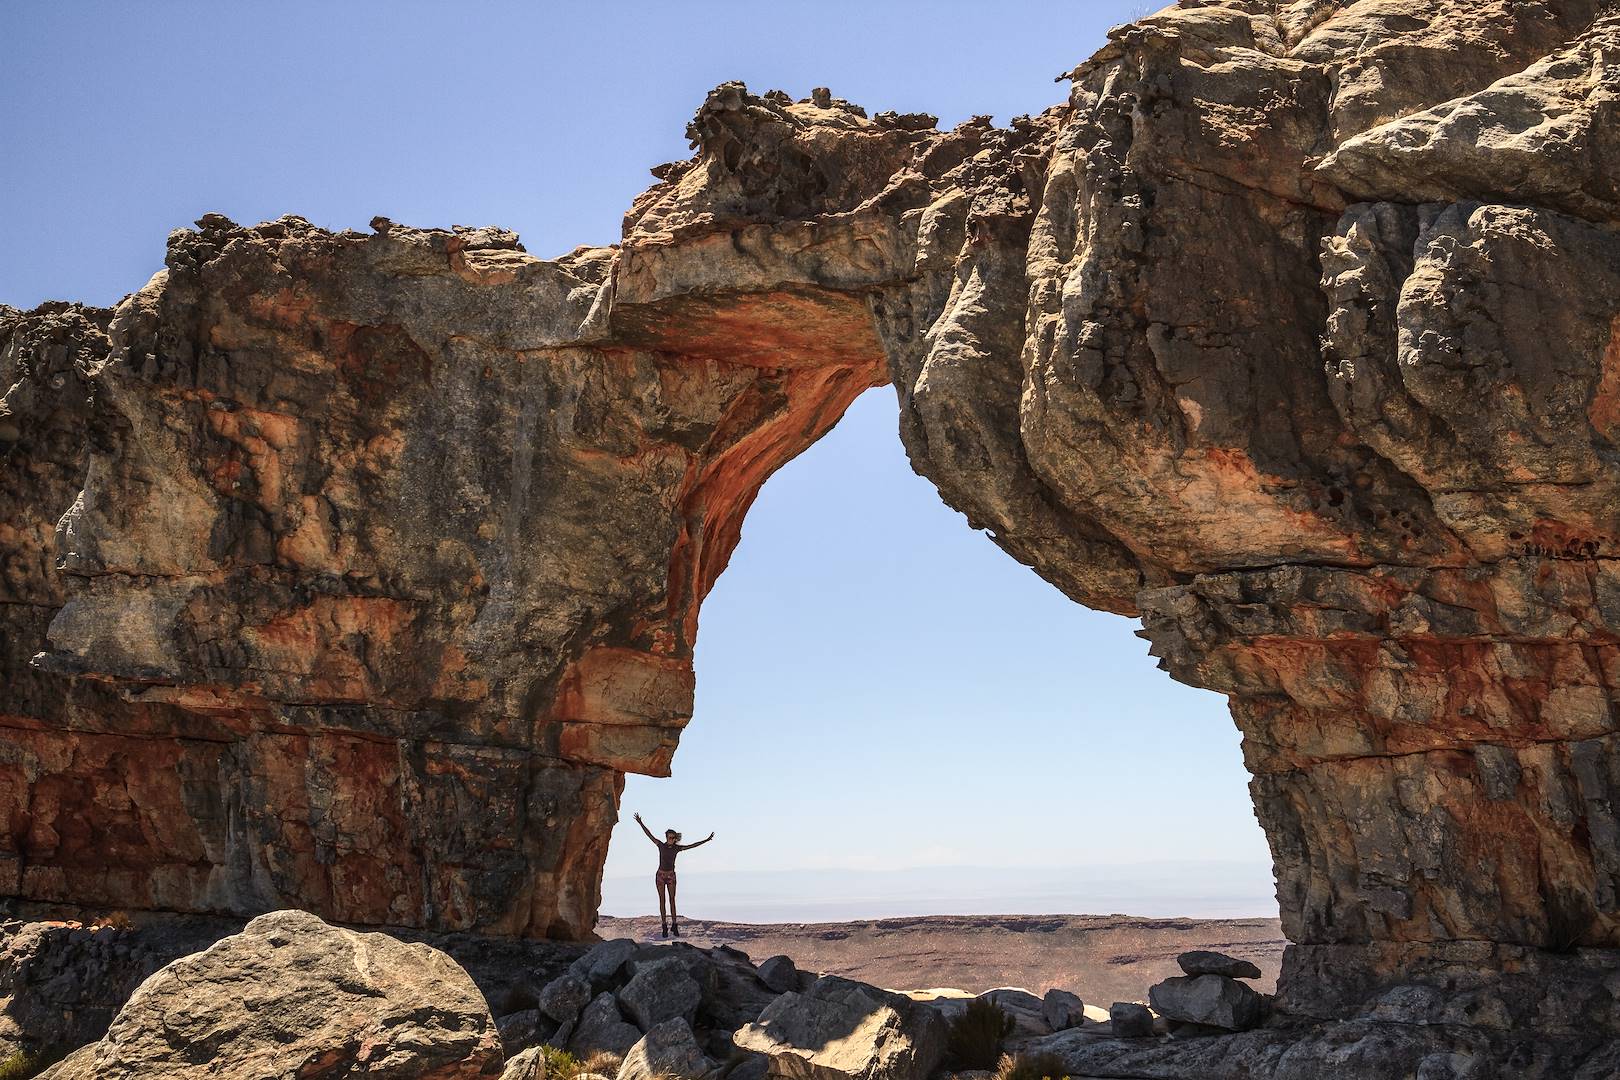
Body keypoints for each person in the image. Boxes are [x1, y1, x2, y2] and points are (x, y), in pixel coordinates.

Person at [633, 812, 713, 938]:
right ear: (666, 837)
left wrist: (706, 840)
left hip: (671, 876)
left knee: (672, 900)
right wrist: (640, 822)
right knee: (662, 901)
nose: (670, 840)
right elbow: (649, 835)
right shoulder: (660, 845)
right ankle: (664, 926)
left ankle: (674, 925)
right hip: (660, 875)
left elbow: (692, 845)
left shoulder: (677, 848)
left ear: (675, 838)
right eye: (668, 837)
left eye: (672, 838)